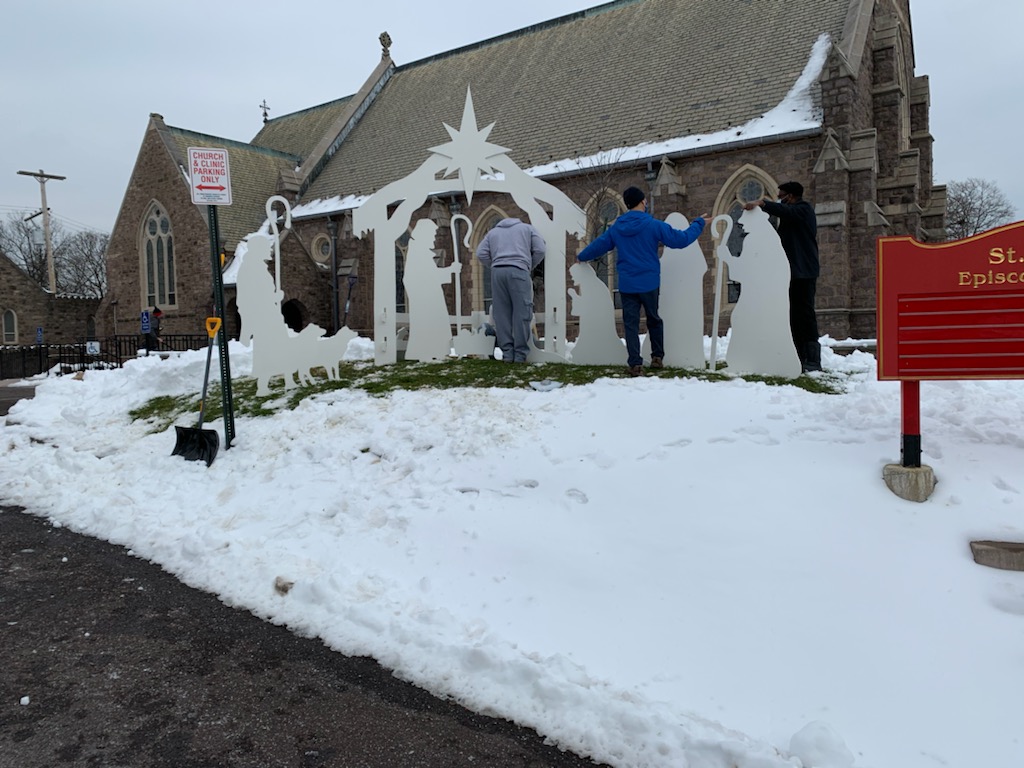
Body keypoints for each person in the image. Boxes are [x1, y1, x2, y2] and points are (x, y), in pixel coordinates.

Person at [577, 186, 707, 376]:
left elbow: (599, 245)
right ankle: (657, 357)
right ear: (642, 201)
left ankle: (635, 364)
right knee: (654, 319)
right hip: (649, 282)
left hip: (627, 284)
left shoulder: (617, 228)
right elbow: (681, 240)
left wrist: (582, 256)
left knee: (630, 324)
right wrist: (699, 223)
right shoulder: (653, 225)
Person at [744, 181, 821, 372]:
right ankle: (797, 355)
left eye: (781, 196)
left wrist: (763, 203)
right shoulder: (789, 217)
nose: (779, 200)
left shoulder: (804, 210)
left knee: (805, 314)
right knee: (793, 315)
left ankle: (812, 359)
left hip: (804, 272)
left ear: (791, 196)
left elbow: (787, 212)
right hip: (791, 272)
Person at [475, 217, 546, 363]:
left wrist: (495, 264)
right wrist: (528, 265)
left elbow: (480, 253)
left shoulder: (492, 233)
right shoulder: (527, 229)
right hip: (519, 270)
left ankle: (507, 354)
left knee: (501, 314)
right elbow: (540, 249)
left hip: (498, 273)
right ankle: (520, 355)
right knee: (522, 313)